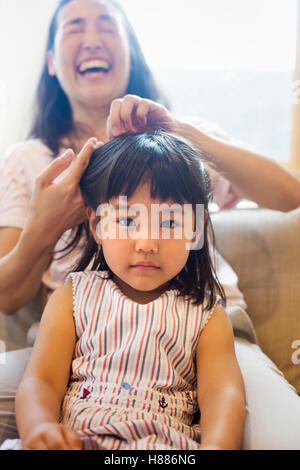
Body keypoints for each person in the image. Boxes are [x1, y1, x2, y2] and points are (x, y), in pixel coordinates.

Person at [0, 0, 300, 450]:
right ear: (50, 61)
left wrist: (181, 133)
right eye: (74, 27)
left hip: (204, 337)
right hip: (84, 348)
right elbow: (8, 301)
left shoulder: (175, 148)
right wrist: (43, 227)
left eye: (107, 25)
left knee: (283, 435)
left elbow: (289, 193)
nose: (92, 37)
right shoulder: (28, 162)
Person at [1, 132, 246, 450]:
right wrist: (40, 428)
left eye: (170, 224)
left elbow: (222, 394)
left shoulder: (207, 315)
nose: (146, 243)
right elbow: (41, 380)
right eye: (128, 219)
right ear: (96, 225)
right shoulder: (72, 298)